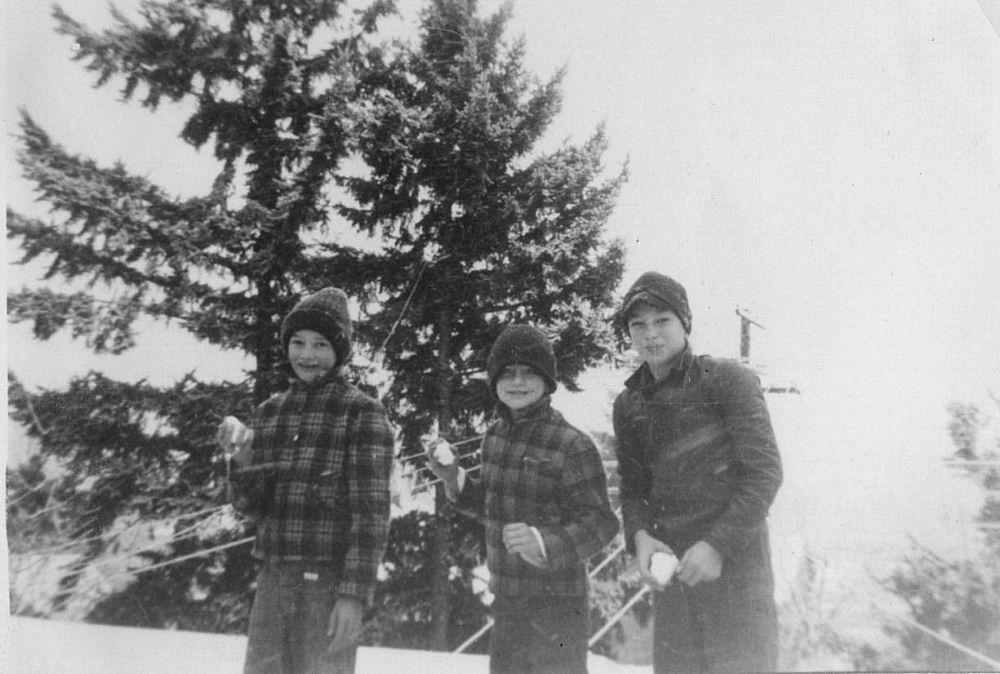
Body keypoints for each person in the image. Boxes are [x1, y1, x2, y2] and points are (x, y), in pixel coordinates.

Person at [612, 272, 783, 673]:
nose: (651, 334)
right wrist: (639, 536)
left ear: (685, 322)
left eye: (662, 321)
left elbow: (764, 473)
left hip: (737, 576)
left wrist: (717, 546)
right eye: (638, 325)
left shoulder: (727, 380)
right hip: (674, 580)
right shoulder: (630, 403)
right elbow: (633, 487)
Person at [219, 287, 395, 674]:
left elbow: (371, 516)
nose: (307, 355)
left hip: (328, 582)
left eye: (320, 344)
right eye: (297, 342)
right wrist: (241, 458)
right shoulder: (270, 412)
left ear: (340, 353)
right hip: (274, 577)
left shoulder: (362, 413)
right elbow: (251, 508)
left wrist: (352, 596)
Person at [427, 324, 619, 674]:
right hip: (507, 598)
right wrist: (453, 476)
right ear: (495, 381)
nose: (517, 382)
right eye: (508, 373)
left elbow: (601, 523)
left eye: (529, 372)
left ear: (547, 381)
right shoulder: (495, 437)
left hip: (559, 604)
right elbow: (491, 504)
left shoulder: (571, 444)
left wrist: (543, 543)